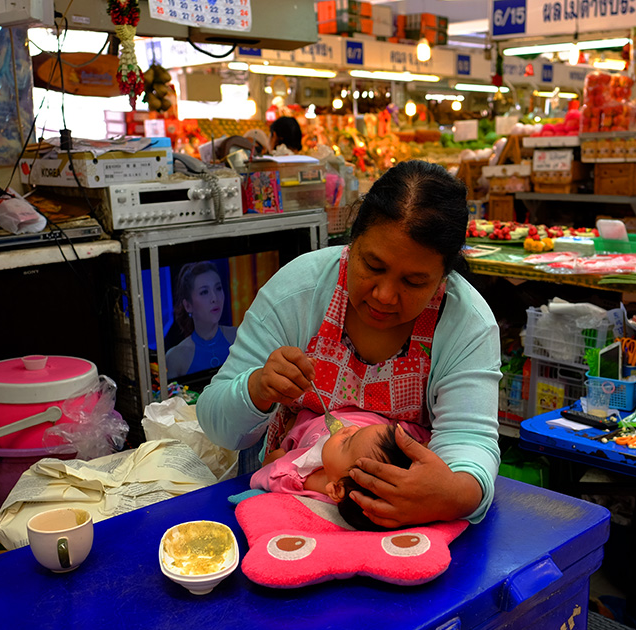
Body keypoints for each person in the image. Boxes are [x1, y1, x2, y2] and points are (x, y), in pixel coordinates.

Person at [198, 159, 501, 529]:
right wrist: (257, 388)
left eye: (414, 282)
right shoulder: (298, 291)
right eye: (373, 265)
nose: (385, 295)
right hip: (280, 512)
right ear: (352, 241)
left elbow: (468, 443)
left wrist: (452, 495)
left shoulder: (466, 323)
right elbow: (218, 425)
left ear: (443, 277)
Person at [251, 408, 426, 531]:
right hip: (377, 414)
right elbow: (412, 435)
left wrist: (272, 462)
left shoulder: (295, 476)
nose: (350, 428)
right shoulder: (346, 465)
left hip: (310, 418)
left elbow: (261, 477)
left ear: (336, 489)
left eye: (346, 442)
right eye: (358, 431)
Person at [164, 262, 237, 379]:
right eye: (204, 292)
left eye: (218, 288)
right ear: (188, 306)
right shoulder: (175, 357)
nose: (215, 298)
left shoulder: (239, 337)